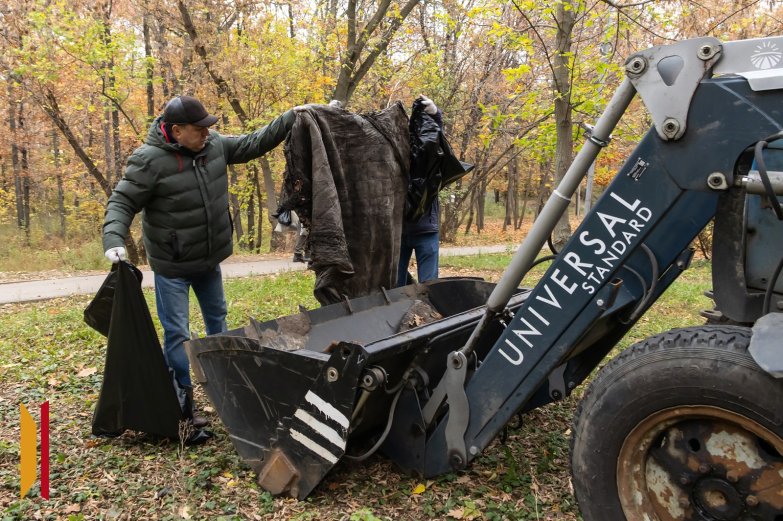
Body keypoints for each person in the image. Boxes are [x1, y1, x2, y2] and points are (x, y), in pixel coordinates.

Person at [102, 95, 295, 424]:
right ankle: (182, 405)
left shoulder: (214, 146)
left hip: (208, 261)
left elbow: (253, 143)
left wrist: (292, 116)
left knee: (218, 322)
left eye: (208, 128)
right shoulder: (148, 161)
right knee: (178, 334)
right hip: (172, 268)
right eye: (199, 129)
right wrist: (113, 239)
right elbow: (122, 201)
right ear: (177, 131)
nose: (207, 133)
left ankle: (226, 388)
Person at [397, 96, 442, 286]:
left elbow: (437, 141)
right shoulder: (392, 155)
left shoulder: (426, 157)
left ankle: (427, 306)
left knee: (429, 286)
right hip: (399, 231)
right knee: (394, 285)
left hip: (425, 229)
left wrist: (435, 115)